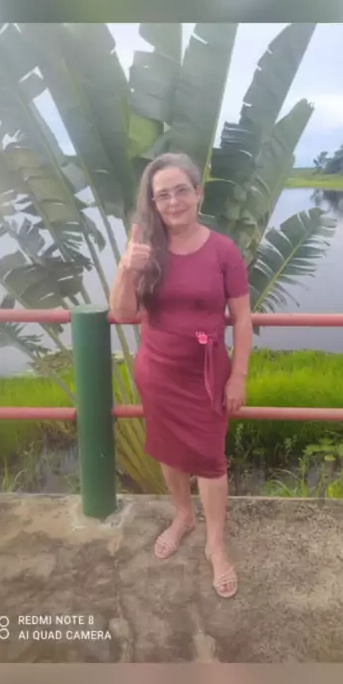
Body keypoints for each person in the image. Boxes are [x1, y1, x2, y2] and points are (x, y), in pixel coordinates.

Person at [110, 153, 252, 598]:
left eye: (181, 191)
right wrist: (126, 269)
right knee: (169, 452)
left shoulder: (223, 250)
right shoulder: (145, 250)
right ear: (153, 202)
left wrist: (239, 376)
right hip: (157, 371)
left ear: (198, 193)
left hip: (207, 374)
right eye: (162, 195)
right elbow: (122, 313)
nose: (173, 202)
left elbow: (242, 319)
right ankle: (183, 516)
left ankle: (216, 545)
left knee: (210, 459)